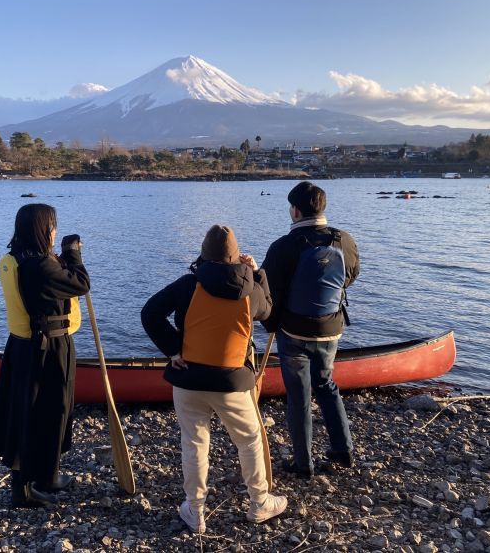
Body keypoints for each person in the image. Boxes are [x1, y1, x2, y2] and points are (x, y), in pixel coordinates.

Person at [141, 225, 288, 533]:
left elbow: (150, 313)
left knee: (194, 443)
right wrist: (257, 273)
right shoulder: (252, 290)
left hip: (188, 378)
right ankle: (259, 503)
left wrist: (172, 351)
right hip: (232, 382)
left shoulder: (187, 284)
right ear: (236, 256)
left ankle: (194, 510)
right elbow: (270, 313)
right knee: (249, 441)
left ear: (203, 255)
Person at [0, 203, 90, 508]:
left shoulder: (18, 258)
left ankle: (48, 474)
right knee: (40, 413)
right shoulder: (39, 267)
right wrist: (72, 252)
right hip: (45, 350)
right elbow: (81, 283)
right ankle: (23, 489)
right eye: (52, 226)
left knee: (50, 411)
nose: (55, 231)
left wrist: (60, 254)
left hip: (27, 347)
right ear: (42, 229)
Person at [260, 181, 359, 478]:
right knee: (326, 384)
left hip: (294, 332)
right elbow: (350, 277)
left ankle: (304, 464)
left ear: (295, 210)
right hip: (331, 327)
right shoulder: (345, 241)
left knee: (299, 396)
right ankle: (344, 451)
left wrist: (270, 325)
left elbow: (268, 293)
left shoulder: (282, 246)